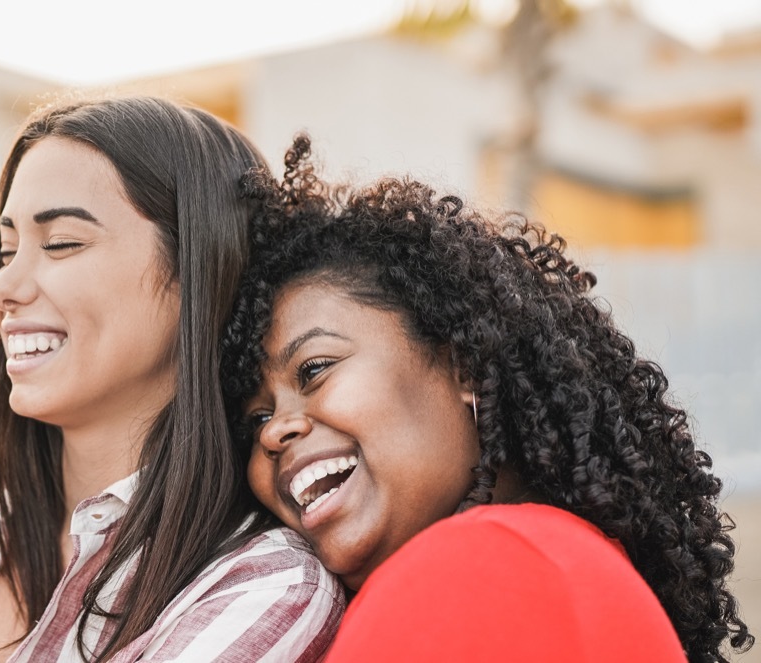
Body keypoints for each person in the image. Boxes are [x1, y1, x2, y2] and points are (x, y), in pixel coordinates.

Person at [222, 135, 754, 663]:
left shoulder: (486, 568)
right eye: (256, 420)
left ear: (466, 364)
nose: (273, 431)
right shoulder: (554, 557)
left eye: (314, 370)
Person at [0, 97, 344, 662]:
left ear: (198, 273)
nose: (3, 288)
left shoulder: (261, 587)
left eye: (61, 244)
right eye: (6, 250)